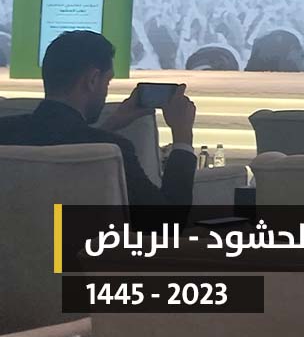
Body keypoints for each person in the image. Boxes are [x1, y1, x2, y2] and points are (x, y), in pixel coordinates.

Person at [0, 30, 198, 211]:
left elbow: (61, 142)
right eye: (107, 81)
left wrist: (109, 126)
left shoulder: (5, 131)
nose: (105, 91)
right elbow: (167, 221)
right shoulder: (113, 151)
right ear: (93, 80)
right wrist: (182, 137)